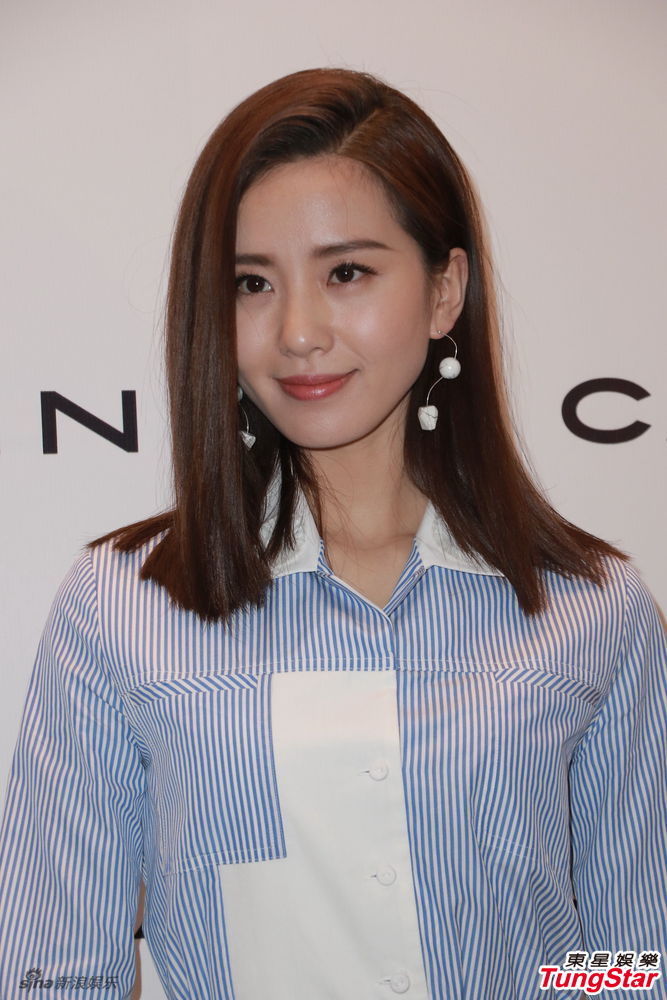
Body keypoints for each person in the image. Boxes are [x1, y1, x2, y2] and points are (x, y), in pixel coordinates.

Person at [0, 67, 665, 1000]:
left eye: (346, 272)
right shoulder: (120, 604)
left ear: (444, 291)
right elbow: (55, 971)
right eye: (251, 283)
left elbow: (631, 957)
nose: (298, 331)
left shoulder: (590, 608)